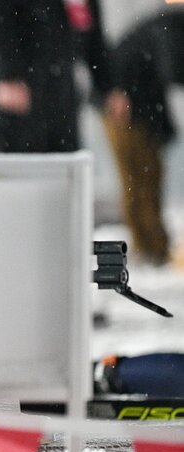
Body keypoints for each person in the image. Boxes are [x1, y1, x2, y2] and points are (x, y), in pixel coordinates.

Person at [0, 0, 124, 154]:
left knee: (63, 163)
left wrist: (108, 87)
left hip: (61, 95)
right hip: (15, 93)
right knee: (10, 163)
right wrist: (7, 74)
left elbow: (93, 38)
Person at [102, 10, 184, 266]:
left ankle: (154, 249)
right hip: (124, 109)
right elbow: (172, 69)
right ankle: (151, 250)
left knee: (147, 177)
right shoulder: (170, 28)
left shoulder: (165, 25)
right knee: (139, 179)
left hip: (139, 109)